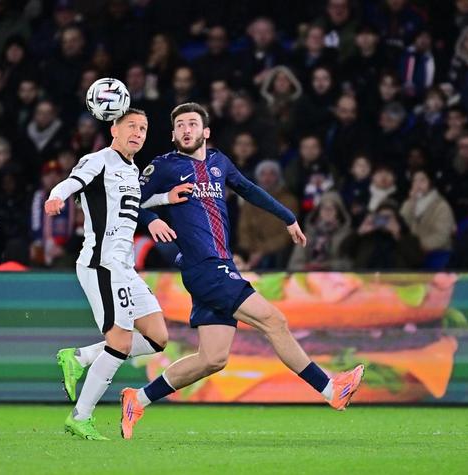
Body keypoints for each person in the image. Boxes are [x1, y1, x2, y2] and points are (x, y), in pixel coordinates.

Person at [119, 103, 364, 440]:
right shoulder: (163, 166)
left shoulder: (219, 162)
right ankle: (331, 389)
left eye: (193, 123)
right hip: (205, 268)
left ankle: (138, 399)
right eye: (180, 125)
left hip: (221, 265)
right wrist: (152, 218)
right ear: (173, 134)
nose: (186, 129)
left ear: (206, 131)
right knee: (274, 321)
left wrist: (288, 217)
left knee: (212, 358)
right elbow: (128, 201)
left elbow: (249, 189)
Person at [43, 108, 187, 440]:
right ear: (114, 130)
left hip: (124, 267)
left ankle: (80, 357)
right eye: (131, 126)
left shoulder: (131, 169)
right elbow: (72, 182)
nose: (138, 133)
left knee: (157, 337)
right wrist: (55, 197)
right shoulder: (99, 160)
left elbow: (132, 205)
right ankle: (81, 417)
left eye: (143, 128)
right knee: (120, 342)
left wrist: (165, 198)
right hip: (101, 264)